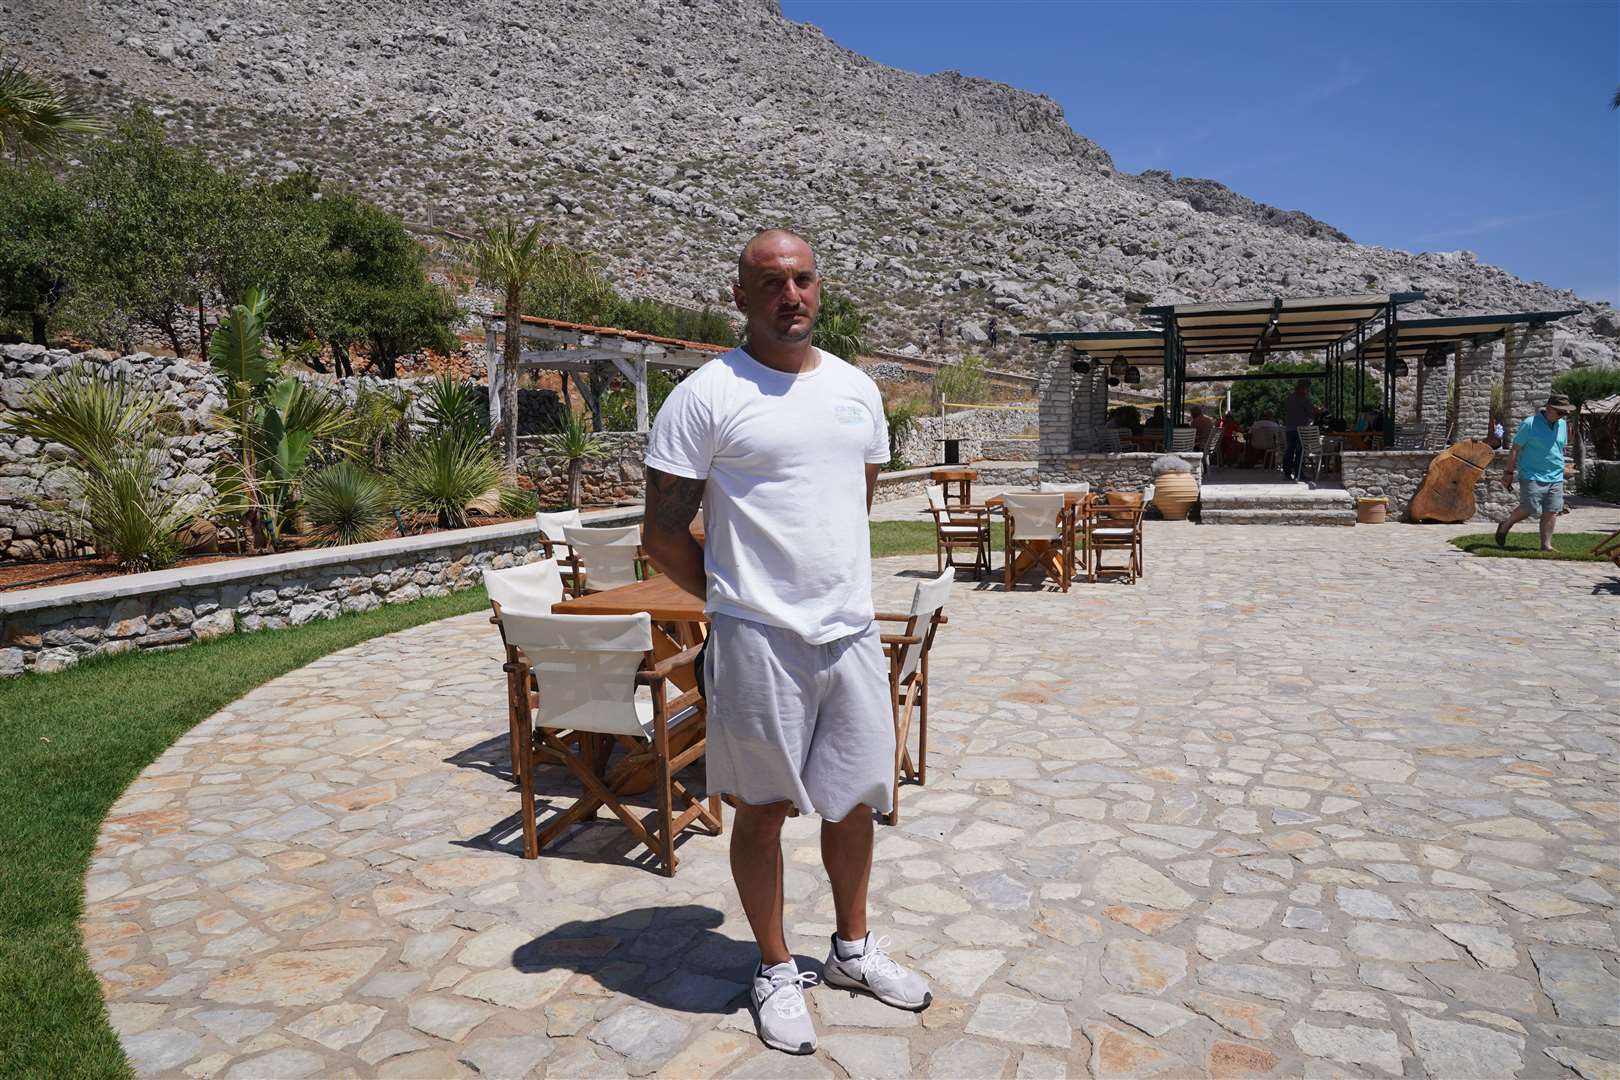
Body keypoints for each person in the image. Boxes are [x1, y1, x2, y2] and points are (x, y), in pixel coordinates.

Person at [641, 229, 931, 1057]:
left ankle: (850, 951)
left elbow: (855, 499)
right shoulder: (706, 396)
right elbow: (662, 534)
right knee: (762, 810)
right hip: (757, 644)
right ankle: (773, 967)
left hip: (848, 636)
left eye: (802, 279)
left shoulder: (855, 389)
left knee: (852, 802)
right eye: (770, 282)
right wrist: (739, 601)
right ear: (740, 296)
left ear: (819, 288)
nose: (789, 295)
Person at [1495, 394, 1573, 551]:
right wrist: (1508, 472)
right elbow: (1516, 448)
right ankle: (1506, 524)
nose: (1562, 416)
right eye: (1560, 412)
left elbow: (1558, 449)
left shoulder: (1562, 425)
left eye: (1565, 413)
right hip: (1532, 474)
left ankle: (1546, 545)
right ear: (1549, 408)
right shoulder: (1530, 424)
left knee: (1551, 511)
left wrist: (1563, 468)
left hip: (1556, 476)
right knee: (1529, 507)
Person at [1283, 379, 1314, 478]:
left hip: (1289, 428)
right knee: (1300, 451)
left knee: (1289, 451)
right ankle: (1299, 472)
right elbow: (1312, 411)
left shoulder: (1290, 398)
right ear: (1303, 388)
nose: (1307, 391)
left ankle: (1287, 472)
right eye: (1307, 389)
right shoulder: (1304, 399)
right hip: (1300, 429)